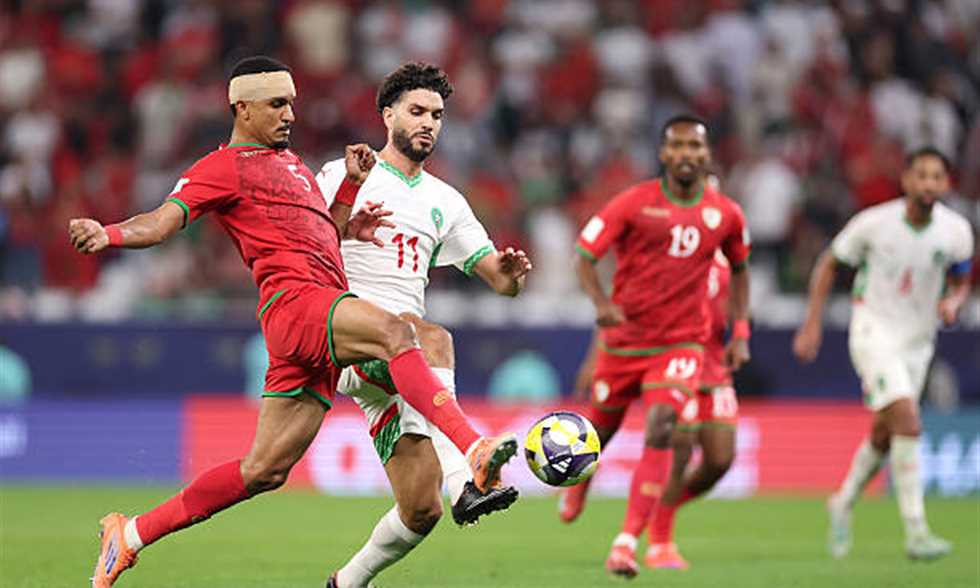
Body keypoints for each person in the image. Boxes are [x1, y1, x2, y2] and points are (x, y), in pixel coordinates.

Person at [68, 56, 518, 588]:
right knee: (409, 332)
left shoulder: (298, 168)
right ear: (243, 108)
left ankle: (131, 534)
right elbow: (163, 221)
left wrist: (349, 209)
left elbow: (320, 234)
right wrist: (109, 234)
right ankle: (472, 453)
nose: (290, 115)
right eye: (278, 104)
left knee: (265, 471)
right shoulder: (222, 166)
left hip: (315, 326)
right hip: (299, 306)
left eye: (292, 104)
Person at [314, 62, 530, 588]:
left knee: (420, 509)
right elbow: (305, 247)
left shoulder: (446, 201)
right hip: (347, 335)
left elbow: (499, 280)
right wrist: (347, 225)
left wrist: (510, 274)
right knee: (430, 335)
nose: (428, 123)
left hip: (400, 366)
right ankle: (467, 475)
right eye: (416, 111)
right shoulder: (345, 173)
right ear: (388, 115)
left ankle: (346, 583)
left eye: (436, 115)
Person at [565, 115, 752, 577]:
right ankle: (580, 481)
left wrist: (741, 333)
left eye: (696, 146)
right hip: (625, 343)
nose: (687, 154)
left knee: (667, 428)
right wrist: (602, 305)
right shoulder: (634, 203)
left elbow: (742, 271)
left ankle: (628, 542)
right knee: (598, 434)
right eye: (678, 146)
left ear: (707, 155)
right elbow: (585, 255)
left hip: (683, 345)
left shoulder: (726, 215)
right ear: (664, 154)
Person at [793, 146, 972, 561]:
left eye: (936, 177)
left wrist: (954, 299)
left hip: (918, 341)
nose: (928, 184)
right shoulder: (873, 224)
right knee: (908, 420)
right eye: (921, 175)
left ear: (946, 183)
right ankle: (917, 531)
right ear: (906, 180)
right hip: (873, 331)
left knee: (884, 432)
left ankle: (842, 501)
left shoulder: (956, 231)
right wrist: (812, 322)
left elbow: (961, 278)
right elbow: (829, 264)